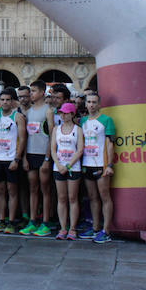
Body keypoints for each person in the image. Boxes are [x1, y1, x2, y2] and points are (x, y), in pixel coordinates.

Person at [0, 88, 27, 233]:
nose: (5, 102)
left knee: (12, 191)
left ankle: (11, 221)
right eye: (2, 100)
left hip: (11, 159)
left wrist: (17, 159)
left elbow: (23, 139)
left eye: (8, 100)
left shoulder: (17, 117)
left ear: (12, 102)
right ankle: (2, 219)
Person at [20, 80, 55, 237]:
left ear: (42, 92)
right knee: (32, 189)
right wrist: (25, 157)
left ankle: (46, 222)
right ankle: (32, 221)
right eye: (31, 91)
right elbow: (25, 136)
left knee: (45, 190)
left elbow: (52, 136)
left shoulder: (49, 111)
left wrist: (47, 159)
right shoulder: (29, 112)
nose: (31, 94)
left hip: (43, 154)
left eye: (33, 91)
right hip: (31, 153)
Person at [79, 93, 116, 243]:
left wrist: (109, 165)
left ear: (99, 104)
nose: (91, 105)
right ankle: (95, 228)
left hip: (101, 164)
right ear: (86, 104)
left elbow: (109, 144)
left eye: (94, 102)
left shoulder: (106, 120)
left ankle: (106, 230)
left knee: (105, 197)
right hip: (86, 164)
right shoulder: (82, 121)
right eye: (89, 102)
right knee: (92, 198)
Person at [51, 102, 83, 239]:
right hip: (58, 167)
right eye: (61, 113)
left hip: (73, 167)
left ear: (72, 114)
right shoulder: (56, 129)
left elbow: (80, 149)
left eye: (66, 113)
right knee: (62, 198)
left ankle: (73, 228)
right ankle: (63, 228)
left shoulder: (78, 130)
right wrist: (58, 164)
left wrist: (68, 166)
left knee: (72, 198)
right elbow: (53, 148)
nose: (63, 116)